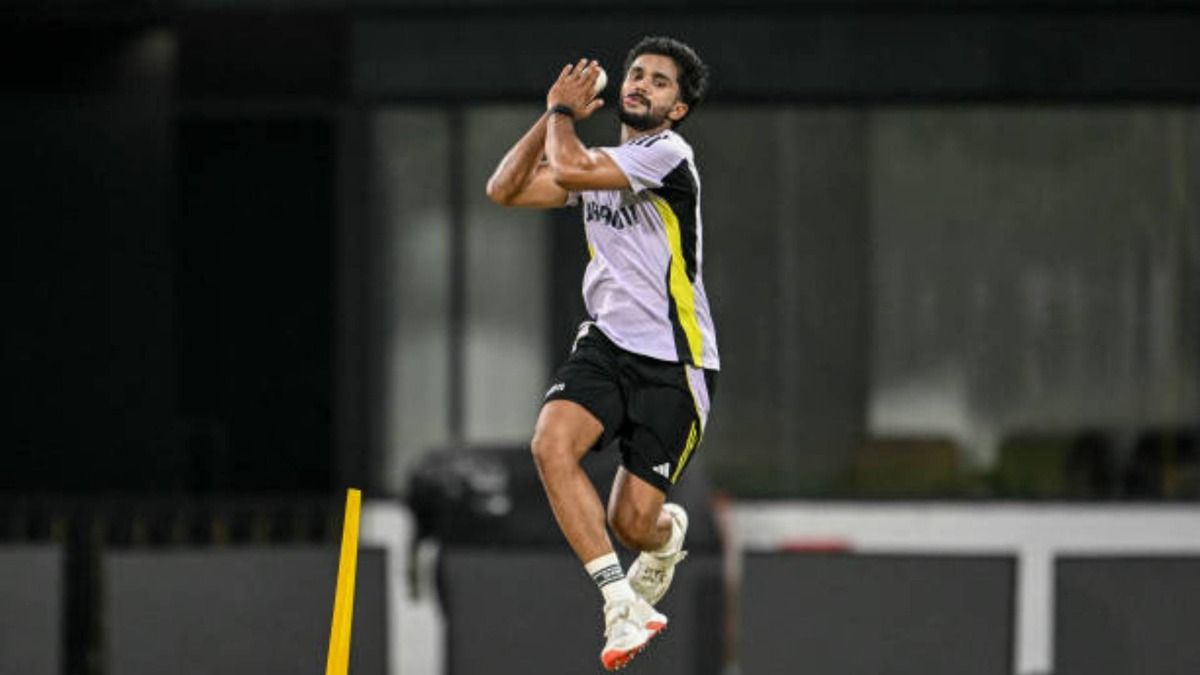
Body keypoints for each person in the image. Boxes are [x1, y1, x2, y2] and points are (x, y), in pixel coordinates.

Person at [485, 36, 719, 670]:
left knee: (633, 524)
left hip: (676, 360)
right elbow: (503, 189)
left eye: (660, 82)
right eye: (636, 73)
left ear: (678, 110)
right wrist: (549, 114)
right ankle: (619, 602)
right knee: (549, 444)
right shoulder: (599, 161)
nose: (641, 84)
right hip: (608, 346)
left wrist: (562, 116)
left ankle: (666, 536)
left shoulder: (669, 154)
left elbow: (575, 170)